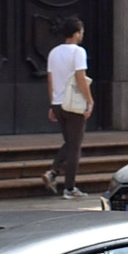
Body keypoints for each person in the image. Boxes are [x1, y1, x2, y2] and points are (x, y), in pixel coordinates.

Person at [44, 18, 92, 197]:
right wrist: (90, 100)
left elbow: (50, 80)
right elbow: (81, 78)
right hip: (73, 104)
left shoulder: (54, 53)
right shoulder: (78, 52)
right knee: (75, 146)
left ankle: (53, 172)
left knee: (70, 142)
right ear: (77, 32)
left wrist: (52, 103)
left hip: (58, 103)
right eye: (81, 32)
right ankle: (69, 187)